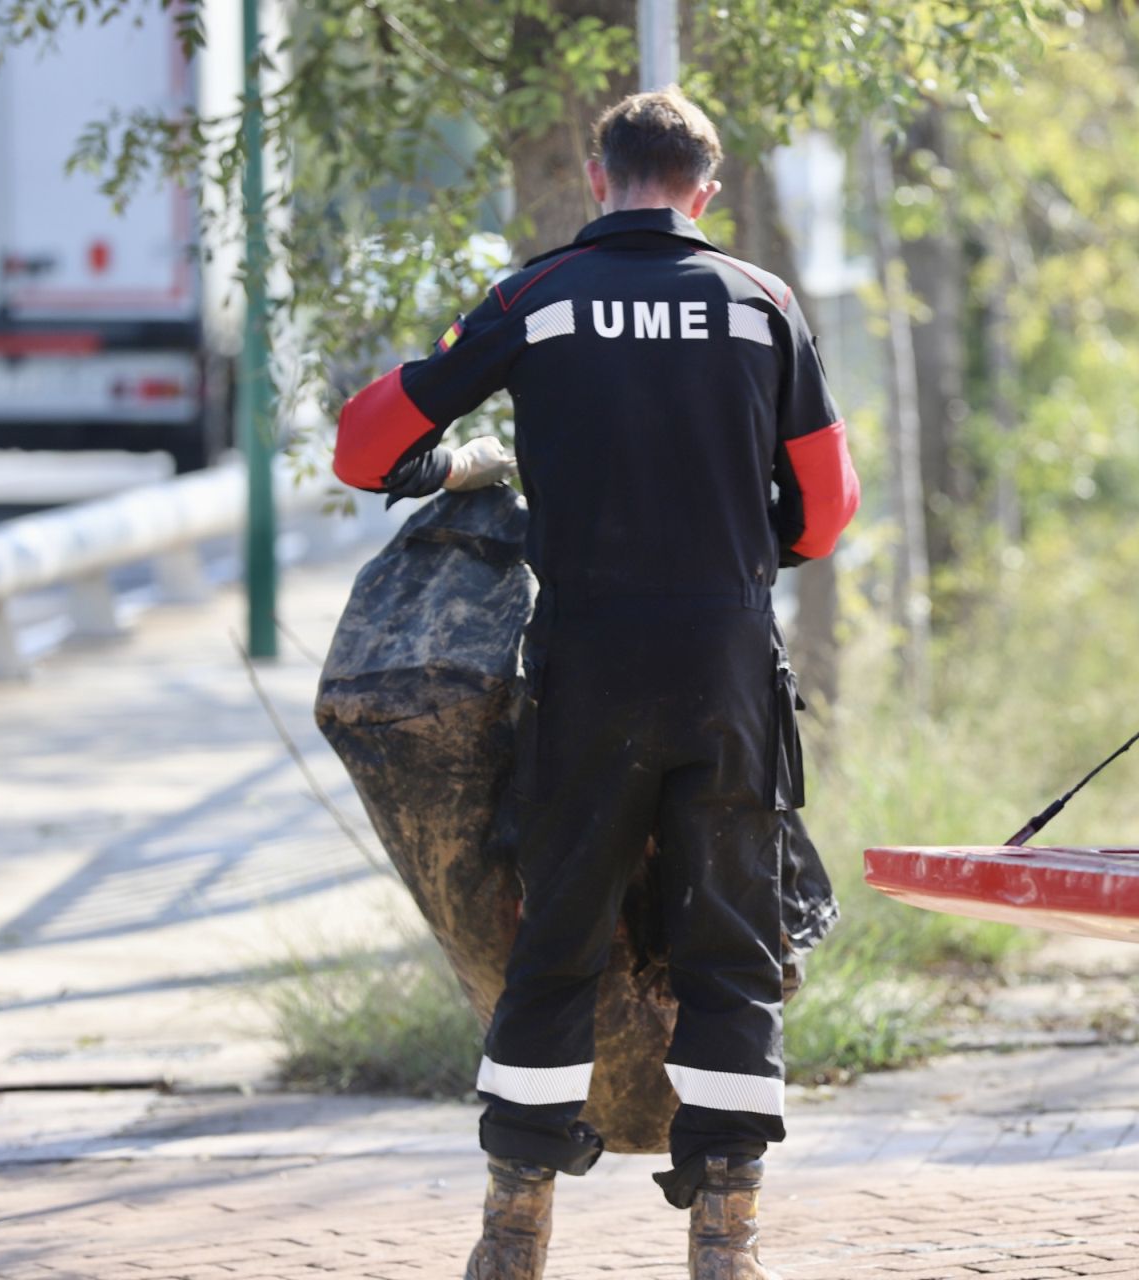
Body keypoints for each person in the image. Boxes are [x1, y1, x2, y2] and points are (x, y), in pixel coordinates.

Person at [331, 87, 859, 1280]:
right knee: (731, 946)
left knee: (555, 942)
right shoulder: (762, 303)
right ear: (704, 193)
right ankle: (726, 1237)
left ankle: (513, 1230)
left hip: (589, 672)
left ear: (594, 176)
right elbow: (829, 511)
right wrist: (752, 536)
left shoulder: (537, 297)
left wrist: (463, 456)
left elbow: (366, 448)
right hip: (725, 668)